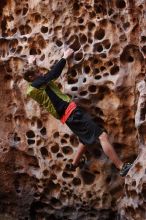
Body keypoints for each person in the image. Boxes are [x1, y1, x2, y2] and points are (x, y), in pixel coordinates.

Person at [23, 48, 132, 177]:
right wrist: (64, 57)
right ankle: (121, 167)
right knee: (102, 136)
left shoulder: (33, 86)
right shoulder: (38, 84)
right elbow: (52, 74)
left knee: (84, 139)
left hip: (68, 116)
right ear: (31, 77)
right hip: (73, 114)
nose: (40, 72)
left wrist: (33, 64)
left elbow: (38, 77)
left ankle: (74, 164)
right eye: (37, 72)